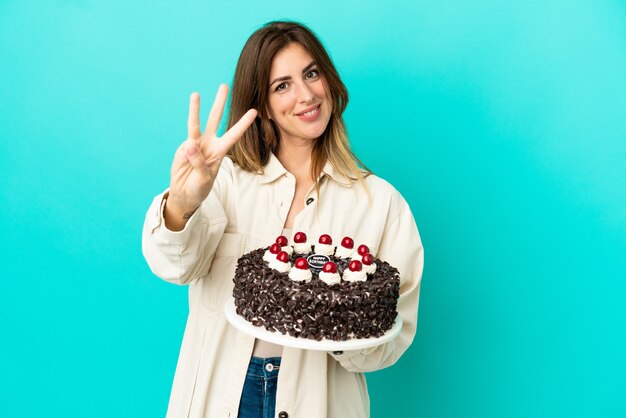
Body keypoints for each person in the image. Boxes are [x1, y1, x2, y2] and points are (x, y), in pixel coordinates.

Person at [142, 21, 424, 418]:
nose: (306, 95)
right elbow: (172, 264)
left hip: (318, 403)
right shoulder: (222, 182)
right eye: (282, 85)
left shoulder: (381, 204)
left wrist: (336, 318)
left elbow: (391, 341)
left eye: (311, 74)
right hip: (221, 393)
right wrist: (182, 205)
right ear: (262, 106)